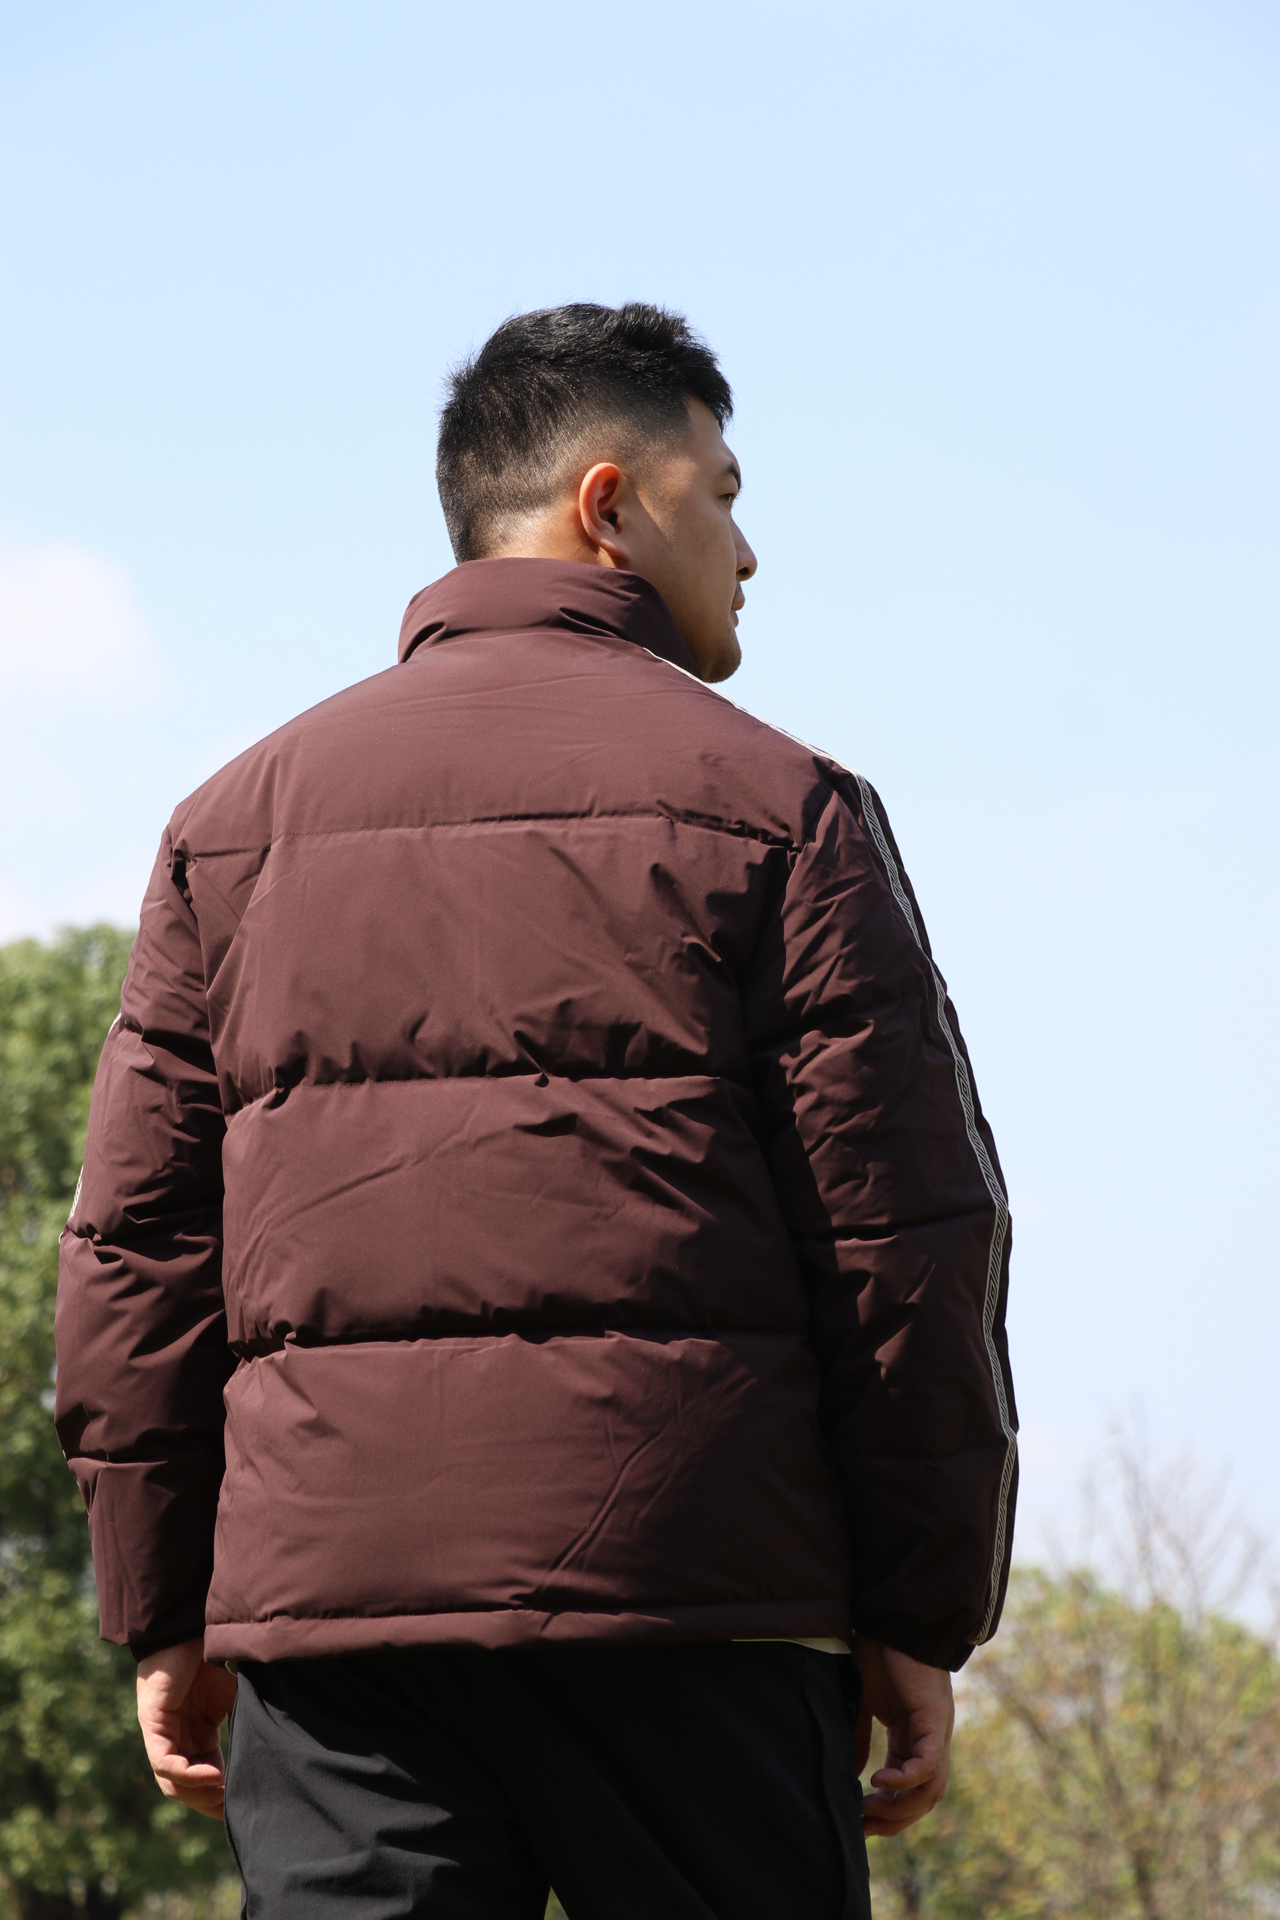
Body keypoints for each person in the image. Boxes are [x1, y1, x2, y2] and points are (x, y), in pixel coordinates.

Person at [55, 303, 1017, 1919]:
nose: (750, 550)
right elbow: (906, 1243)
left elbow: (135, 1258)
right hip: (693, 1610)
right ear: (608, 503)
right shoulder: (784, 809)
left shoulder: (229, 826)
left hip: (339, 1636)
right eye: (724, 492)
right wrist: (920, 1607)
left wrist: (160, 1601)